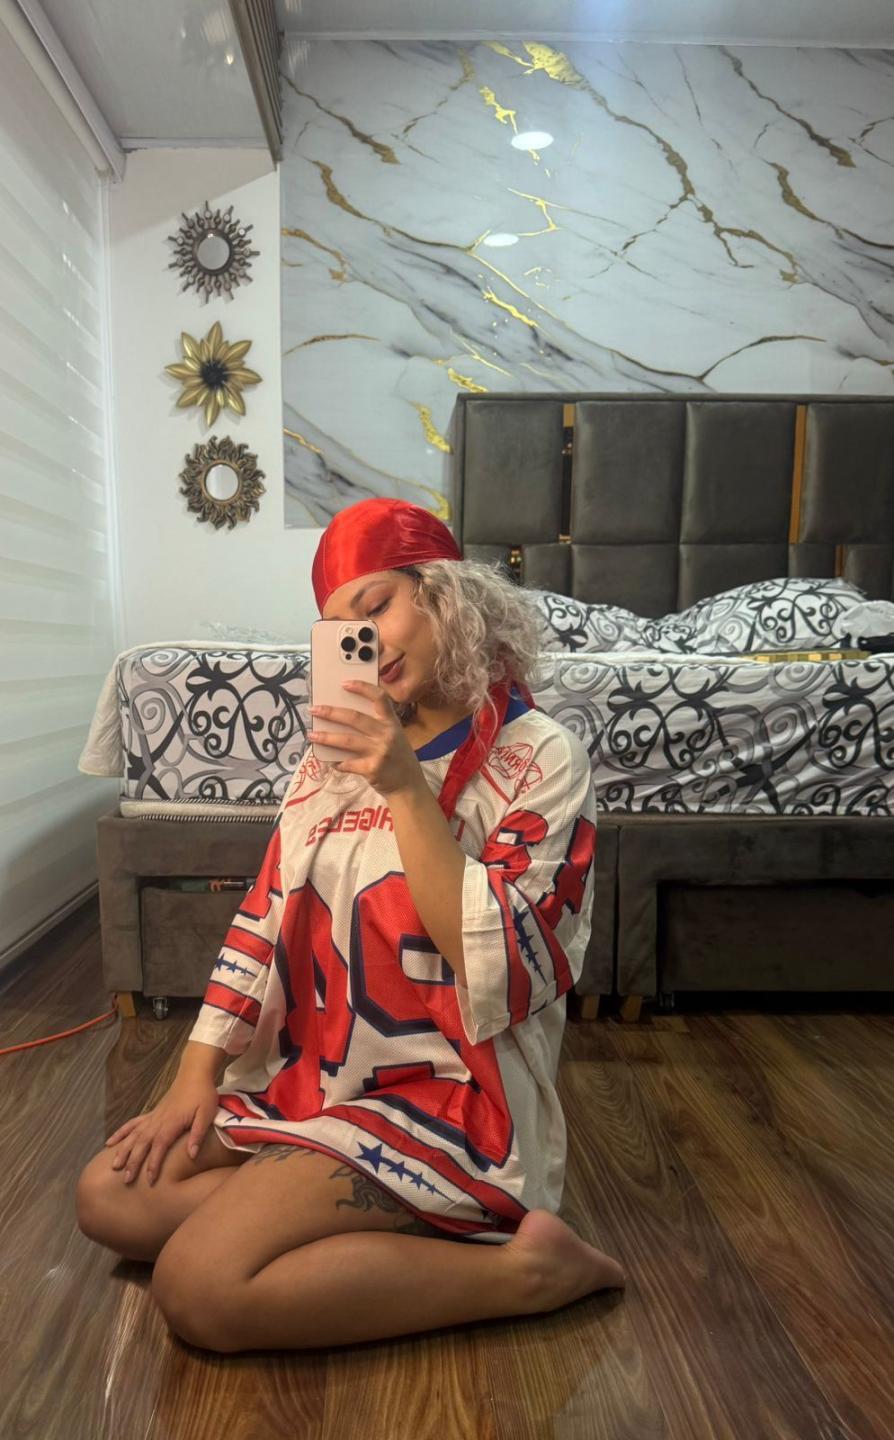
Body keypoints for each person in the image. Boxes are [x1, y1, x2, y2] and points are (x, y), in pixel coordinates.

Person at [76, 497, 625, 1352]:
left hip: (447, 1097)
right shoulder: (328, 761)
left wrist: (404, 786)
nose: (366, 641)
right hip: (314, 1078)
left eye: (378, 608)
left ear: (447, 595)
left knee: (198, 1289)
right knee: (107, 1197)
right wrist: (194, 1073)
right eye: (341, 630)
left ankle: (527, 1273)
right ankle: (321, 1219)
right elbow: (264, 916)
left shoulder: (541, 755)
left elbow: (507, 969)